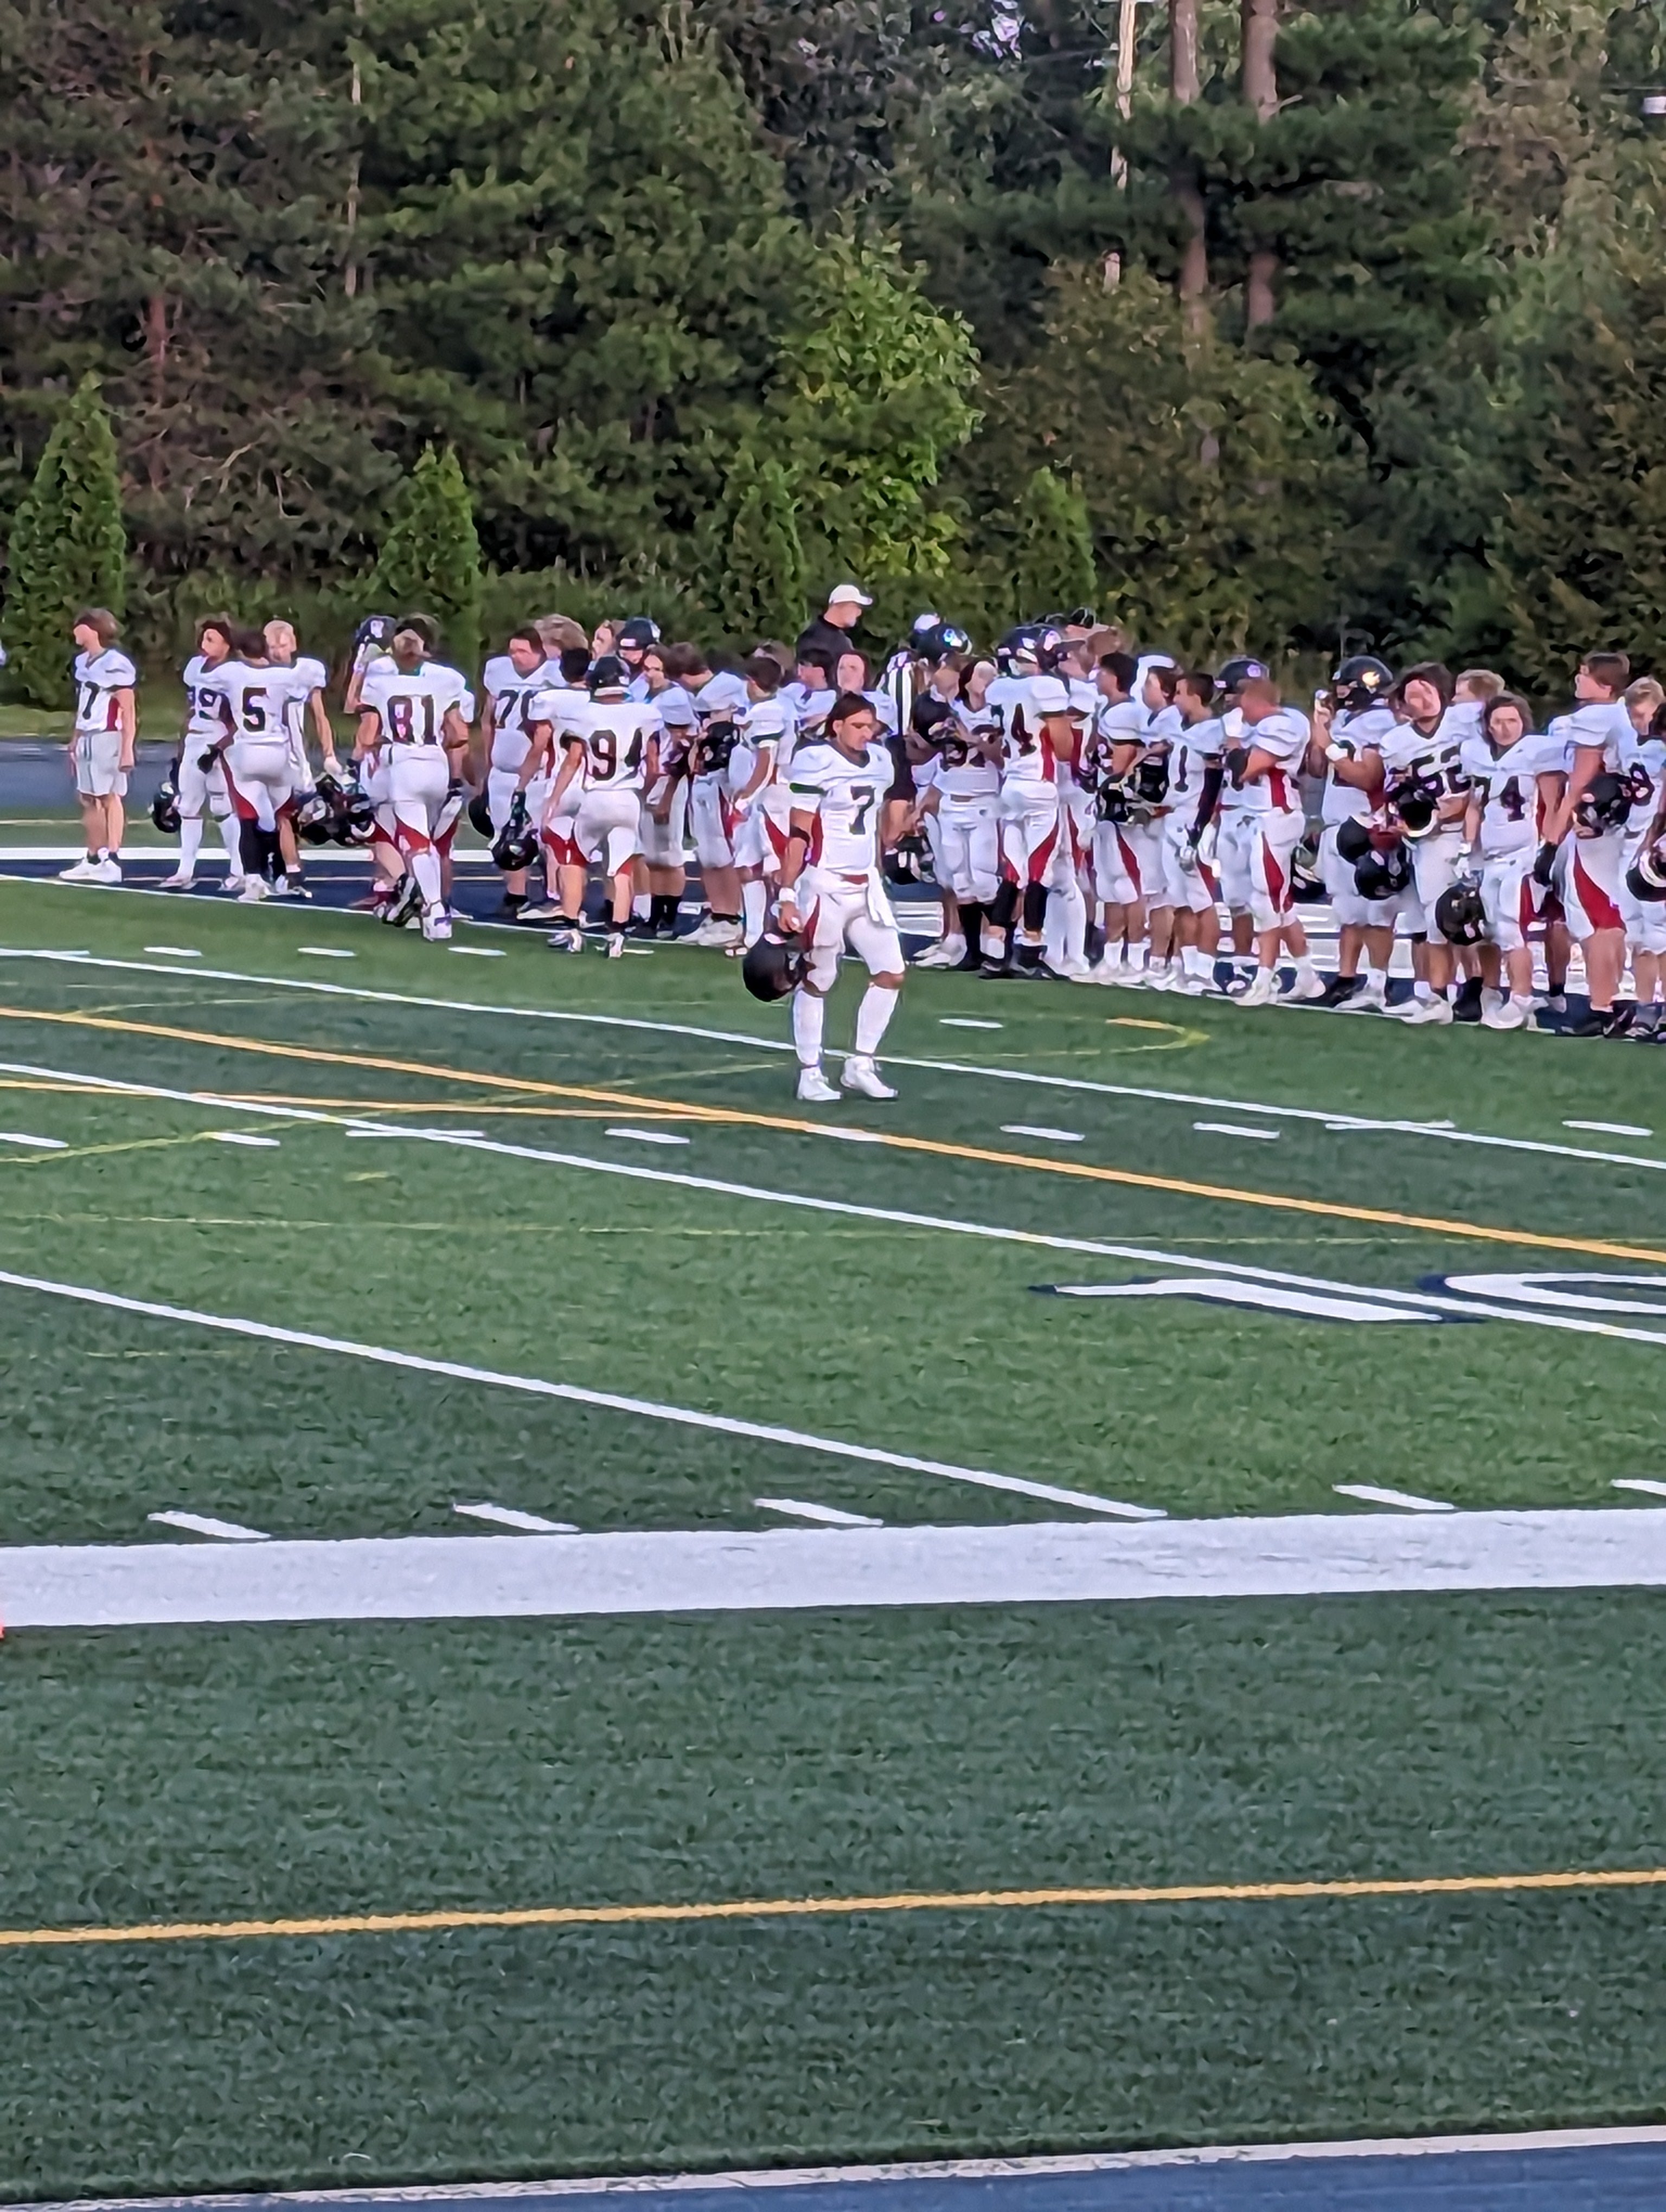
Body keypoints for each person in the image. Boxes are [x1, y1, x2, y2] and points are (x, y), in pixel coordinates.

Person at [776, 690, 905, 1102]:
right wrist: (786, 893)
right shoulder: (816, 761)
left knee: (891, 972)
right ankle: (810, 1071)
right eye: (859, 726)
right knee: (819, 978)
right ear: (837, 725)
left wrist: (881, 866)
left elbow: (877, 819)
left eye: (872, 727)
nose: (867, 734)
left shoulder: (882, 761)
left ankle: (860, 1063)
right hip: (825, 883)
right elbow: (799, 832)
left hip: (865, 883)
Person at [520, 653, 660, 956]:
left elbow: (573, 761)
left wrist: (554, 798)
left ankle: (572, 928)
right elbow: (654, 764)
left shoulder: (584, 715)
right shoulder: (644, 713)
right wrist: (644, 792)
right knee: (621, 868)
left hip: (596, 796)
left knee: (574, 860)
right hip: (628, 797)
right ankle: (618, 936)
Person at [354, 619, 472, 941]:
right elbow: (460, 733)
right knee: (430, 843)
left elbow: (367, 733)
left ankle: (434, 910)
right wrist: (436, 745)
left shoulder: (379, 681)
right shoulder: (447, 680)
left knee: (415, 842)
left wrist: (368, 751)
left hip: (403, 762)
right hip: (436, 761)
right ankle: (437, 907)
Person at [1538, 650, 1635, 1036]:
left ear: (1604, 684)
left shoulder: (1595, 716)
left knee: (1596, 922)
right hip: (1623, 828)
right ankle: (1611, 1000)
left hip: (1596, 830)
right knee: (1612, 921)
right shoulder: (1625, 715)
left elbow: (1579, 782)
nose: (1578, 679)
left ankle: (1600, 1005)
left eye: (1584, 674)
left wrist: (1551, 839)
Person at [1459, 692, 1561, 1031]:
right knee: (1487, 930)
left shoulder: (1536, 752)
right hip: (1489, 855)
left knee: (1510, 928)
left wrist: (1549, 847)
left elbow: (1552, 803)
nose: (1504, 728)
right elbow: (1475, 804)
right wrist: (1465, 848)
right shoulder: (1477, 755)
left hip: (1523, 855)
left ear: (1524, 722)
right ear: (1487, 724)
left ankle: (1521, 996)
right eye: (1498, 721)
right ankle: (1494, 992)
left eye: (1512, 721)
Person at [1229, 676, 1325, 1006]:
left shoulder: (1280, 725)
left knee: (1266, 901)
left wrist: (1232, 743)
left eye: (1240, 698)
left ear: (1253, 699)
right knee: (1280, 904)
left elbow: (1245, 769)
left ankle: (1265, 979)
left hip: (1276, 816)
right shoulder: (1273, 724)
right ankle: (1308, 976)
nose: (1236, 706)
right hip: (1260, 816)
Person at [1309, 655, 1398, 1009]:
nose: (1339, 692)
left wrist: (1329, 744)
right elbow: (1317, 770)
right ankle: (1346, 977)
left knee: (1375, 911)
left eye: (1345, 685)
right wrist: (1322, 732)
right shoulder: (1345, 719)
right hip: (1337, 825)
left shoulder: (1382, 723)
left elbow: (1369, 778)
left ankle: (1378, 983)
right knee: (1346, 911)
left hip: (1365, 825)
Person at [161, 614, 246, 893]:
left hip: (217, 741)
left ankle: (239, 869)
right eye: (204, 637)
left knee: (222, 806)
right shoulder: (196, 668)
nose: (204, 643)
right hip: (196, 739)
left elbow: (238, 719)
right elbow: (191, 711)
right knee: (188, 807)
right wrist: (181, 747)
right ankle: (184, 871)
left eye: (212, 638)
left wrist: (219, 748)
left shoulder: (235, 673)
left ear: (227, 645)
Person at [479, 626, 556, 916]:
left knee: (545, 836)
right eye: (512, 650)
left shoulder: (554, 676)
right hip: (504, 767)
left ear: (539, 652)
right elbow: (488, 718)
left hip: (541, 772)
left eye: (522, 651)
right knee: (505, 834)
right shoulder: (498, 672)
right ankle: (516, 895)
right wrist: (487, 762)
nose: (515, 657)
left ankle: (553, 893)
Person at [60, 609, 136, 885]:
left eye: (79, 627)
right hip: (88, 736)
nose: (75, 632)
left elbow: (128, 709)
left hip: (108, 735)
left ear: (92, 630)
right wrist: (76, 736)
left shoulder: (115, 663)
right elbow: (84, 705)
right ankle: (93, 856)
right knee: (88, 799)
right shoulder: (83, 662)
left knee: (110, 797)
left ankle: (113, 859)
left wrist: (128, 747)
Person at [794, 583, 872, 672]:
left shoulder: (840, 640)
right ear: (841, 606)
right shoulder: (813, 637)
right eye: (856, 607)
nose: (859, 613)